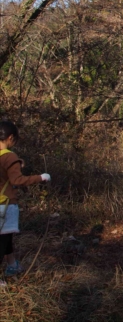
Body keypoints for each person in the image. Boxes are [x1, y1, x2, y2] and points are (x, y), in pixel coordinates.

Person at [0, 121, 51, 287]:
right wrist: (41, 177)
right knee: (3, 240)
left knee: (6, 237)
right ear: (10, 138)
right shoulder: (9, 156)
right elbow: (17, 180)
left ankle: (12, 265)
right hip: (5, 205)